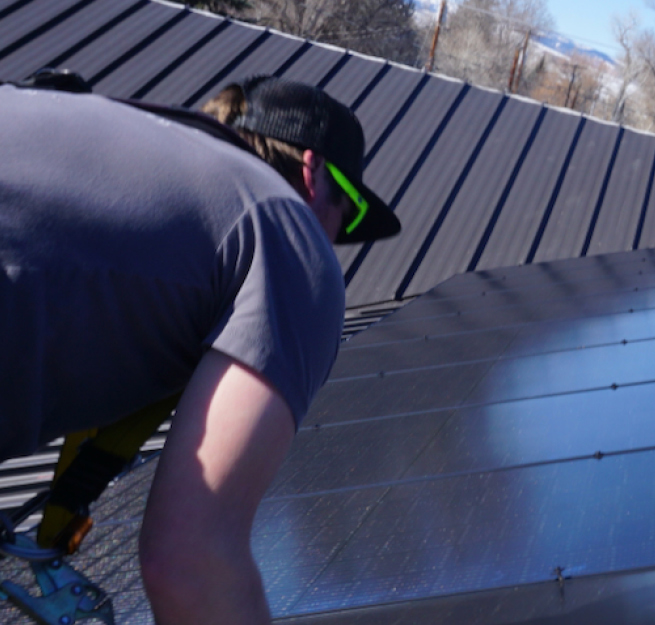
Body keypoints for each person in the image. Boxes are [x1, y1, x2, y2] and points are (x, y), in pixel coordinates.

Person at [0, 74, 399, 624]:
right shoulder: (286, 233)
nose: (336, 241)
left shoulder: (111, 134)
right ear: (312, 173)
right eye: (349, 212)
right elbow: (190, 562)